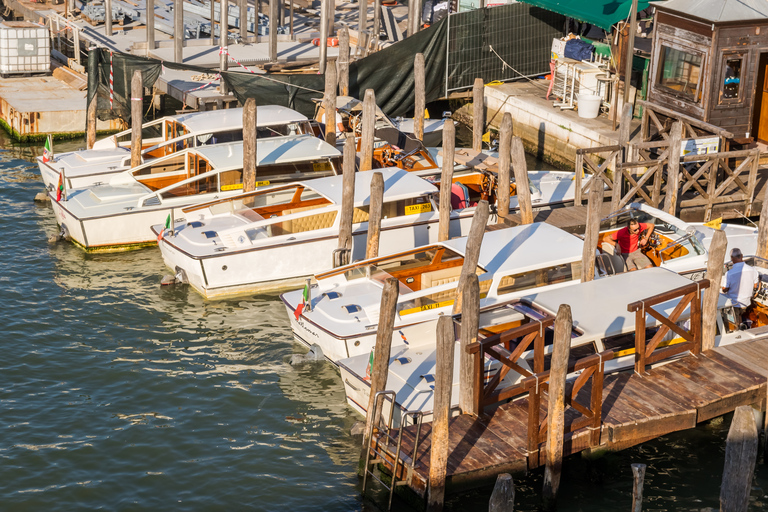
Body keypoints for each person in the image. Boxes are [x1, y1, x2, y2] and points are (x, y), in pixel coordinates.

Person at [722, 248, 759, 324]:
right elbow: (756, 286)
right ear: (742, 256)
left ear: (732, 258)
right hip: (747, 302)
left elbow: (724, 289)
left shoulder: (729, 273)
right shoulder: (753, 270)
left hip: (734, 303)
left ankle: (738, 325)